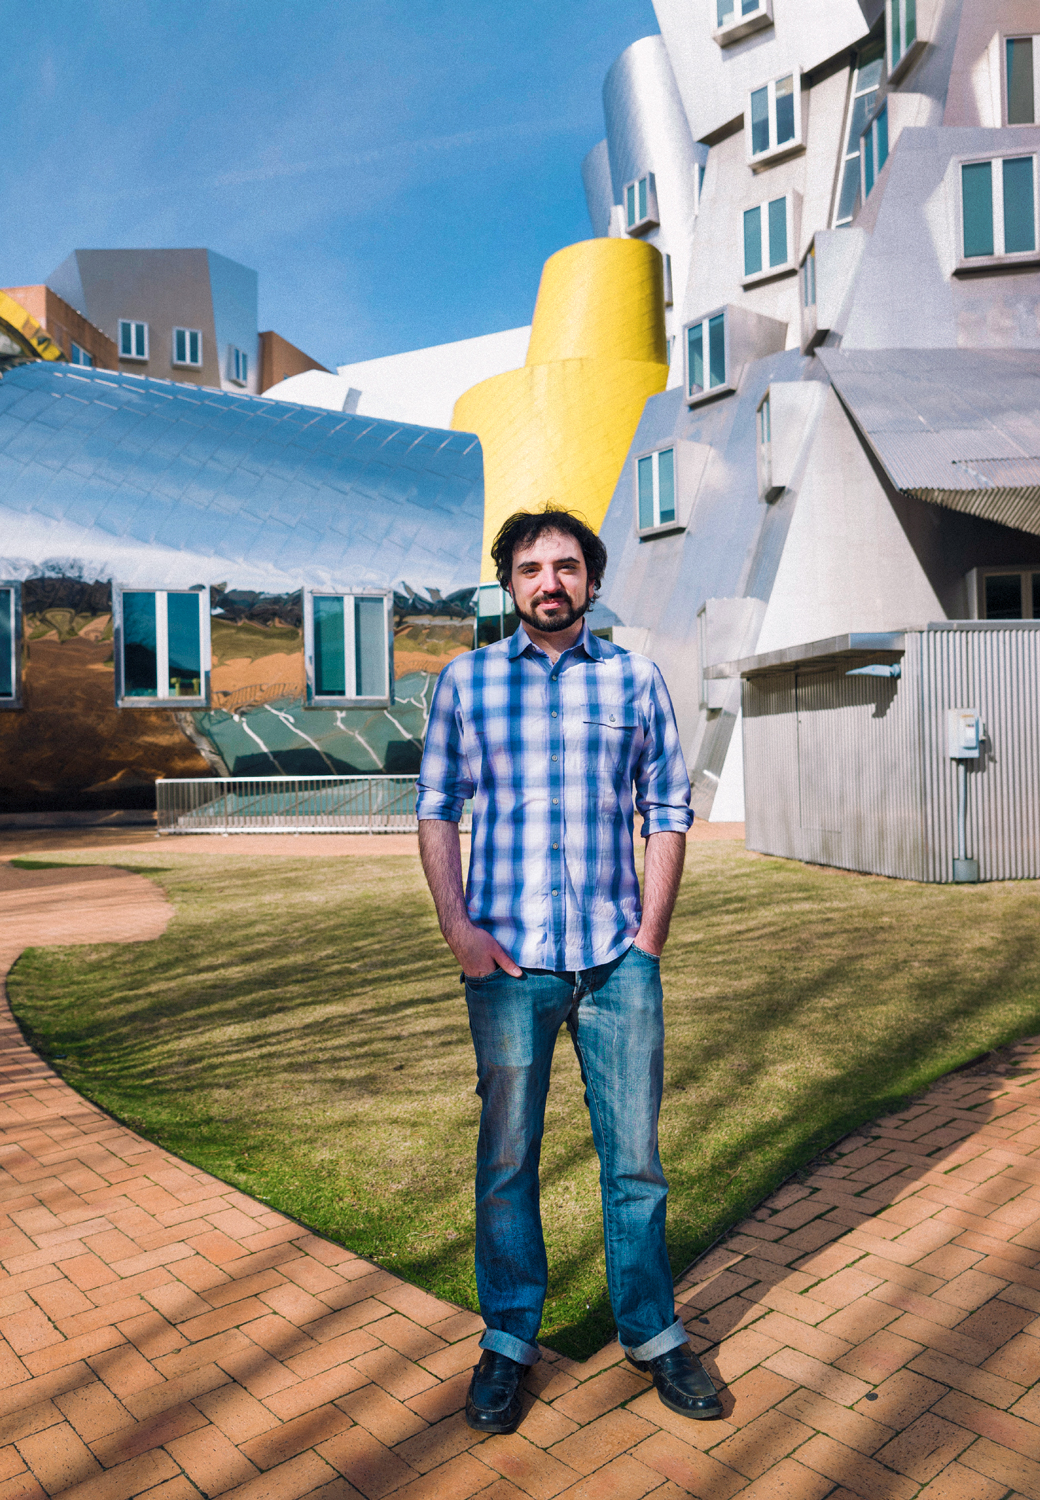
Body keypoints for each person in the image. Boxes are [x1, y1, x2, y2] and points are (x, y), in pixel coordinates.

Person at [415, 505, 722, 1433]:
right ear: (507, 584)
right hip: (508, 966)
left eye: (566, 566)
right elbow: (436, 809)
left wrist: (653, 934)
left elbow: (666, 805)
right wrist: (459, 929)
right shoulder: (464, 684)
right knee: (507, 1161)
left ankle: (653, 1333)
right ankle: (508, 1341)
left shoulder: (635, 680)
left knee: (637, 1163)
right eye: (530, 568)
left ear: (591, 578)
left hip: (618, 962)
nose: (550, 582)